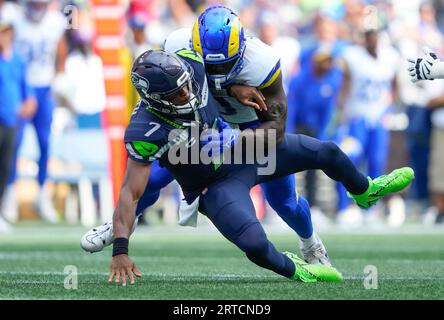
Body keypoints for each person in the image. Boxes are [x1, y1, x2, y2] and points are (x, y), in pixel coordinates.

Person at [106, 49, 413, 285]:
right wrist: (120, 249)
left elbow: (217, 75)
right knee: (255, 244)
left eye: (186, 86)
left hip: (244, 149)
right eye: (177, 94)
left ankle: (364, 191)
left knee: (327, 152)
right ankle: (301, 271)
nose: (187, 94)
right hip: (213, 185)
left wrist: (235, 88)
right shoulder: (144, 130)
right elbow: (130, 193)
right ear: (154, 98)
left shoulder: (190, 63)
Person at [83, 6, 332, 266]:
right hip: (206, 120)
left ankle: (310, 242)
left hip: (250, 128)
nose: (216, 69)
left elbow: (277, 129)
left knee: (285, 201)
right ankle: (120, 222)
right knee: (152, 177)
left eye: (225, 63)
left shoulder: (262, 62)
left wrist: (239, 136)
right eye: (209, 62)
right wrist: (228, 85)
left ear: (243, 49)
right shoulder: (177, 44)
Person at [2, 0, 67, 223]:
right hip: (20, 87)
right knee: (13, 144)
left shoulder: (56, 21)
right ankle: (8, 193)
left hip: (44, 87)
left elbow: (60, 48)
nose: (38, 8)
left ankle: (42, 193)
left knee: (45, 143)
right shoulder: (14, 17)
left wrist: (59, 75)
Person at [0, 17, 36, 230]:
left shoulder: (18, 60)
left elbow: (26, 89)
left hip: (12, 120)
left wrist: (28, 102)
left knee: (5, 166)